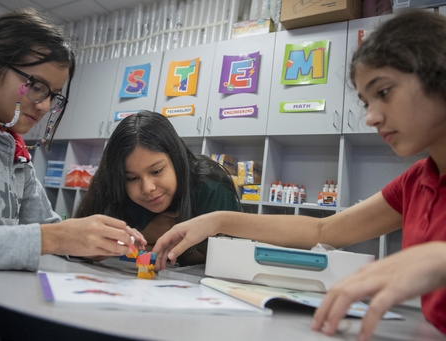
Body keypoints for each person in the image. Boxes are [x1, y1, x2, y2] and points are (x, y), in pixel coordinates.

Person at [152, 9, 446, 340]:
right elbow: (324, 229)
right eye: (365, 102)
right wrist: (218, 220)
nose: (371, 117)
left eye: (384, 92)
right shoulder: (417, 181)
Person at [0, 9, 145, 339]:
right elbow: (45, 237)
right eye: (36, 86)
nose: (45, 106)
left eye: (54, 95)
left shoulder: (12, 146)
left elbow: (46, 227)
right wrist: (55, 238)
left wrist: (87, 242)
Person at [74, 110, 241, 266]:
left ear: (176, 159)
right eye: (132, 178)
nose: (147, 188)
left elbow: (228, 262)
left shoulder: (211, 187)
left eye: (157, 171)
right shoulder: (112, 183)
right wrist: (145, 235)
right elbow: (79, 243)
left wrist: (159, 245)